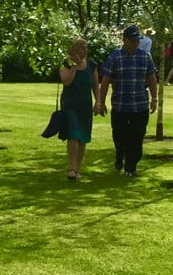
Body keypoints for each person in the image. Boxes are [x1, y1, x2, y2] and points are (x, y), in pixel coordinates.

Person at [97, 25, 158, 177]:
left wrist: (155, 98)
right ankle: (120, 154)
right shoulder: (114, 57)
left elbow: (151, 78)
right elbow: (105, 81)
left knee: (137, 138)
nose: (135, 43)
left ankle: (131, 167)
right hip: (120, 106)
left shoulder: (145, 57)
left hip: (140, 105)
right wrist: (101, 102)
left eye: (137, 40)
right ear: (124, 40)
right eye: (132, 41)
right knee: (119, 136)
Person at [58, 37, 97, 180]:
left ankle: (78, 168)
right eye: (82, 48)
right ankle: (72, 168)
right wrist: (74, 66)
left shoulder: (92, 64)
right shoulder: (66, 63)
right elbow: (66, 81)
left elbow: (94, 85)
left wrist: (98, 102)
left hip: (85, 104)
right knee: (73, 134)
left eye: (86, 48)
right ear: (74, 50)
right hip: (70, 104)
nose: (85, 51)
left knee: (83, 136)